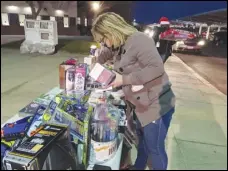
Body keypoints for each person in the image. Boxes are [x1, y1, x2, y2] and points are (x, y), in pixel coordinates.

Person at [91, 12, 175, 170]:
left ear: (112, 31)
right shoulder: (118, 45)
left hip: (155, 103)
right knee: (142, 145)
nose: (105, 44)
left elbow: (156, 69)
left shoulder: (139, 40)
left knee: (154, 149)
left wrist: (123, 80)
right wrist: (96, 62)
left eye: (104, 39)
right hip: (139, 104)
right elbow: (104, 54)